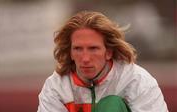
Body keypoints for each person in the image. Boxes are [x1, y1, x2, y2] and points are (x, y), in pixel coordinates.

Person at [37, 11, 168, 112]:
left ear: (109, 52)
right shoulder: (55, 87)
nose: (85, 58)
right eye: (77, 49)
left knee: (111, 104)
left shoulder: (136, 80)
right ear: (70, 52)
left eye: (93, 49)